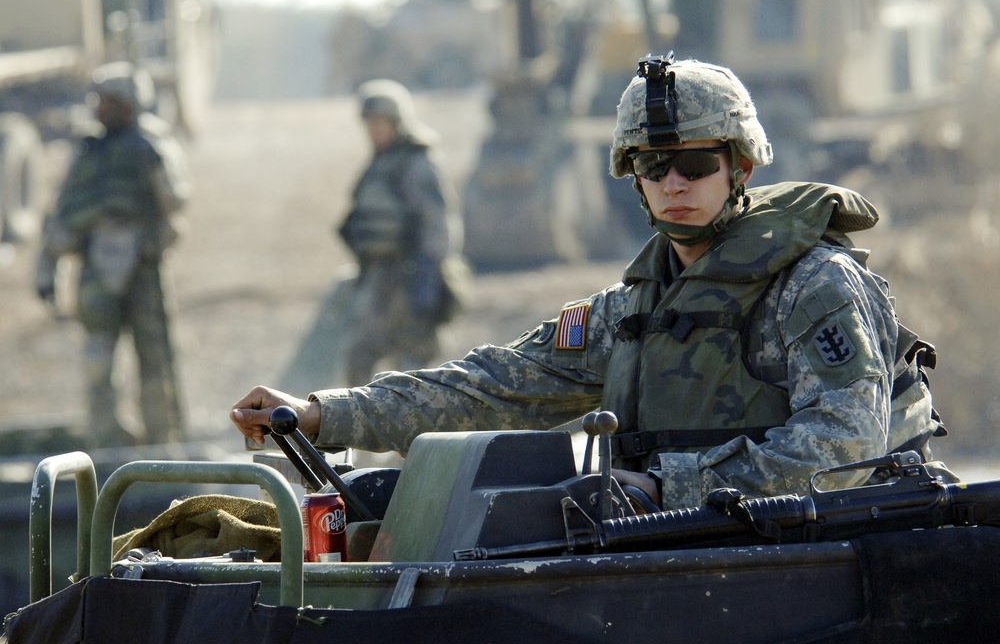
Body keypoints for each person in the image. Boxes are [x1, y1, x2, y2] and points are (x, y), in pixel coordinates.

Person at [232, 54, 944, 510]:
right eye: (651, 166)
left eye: (694, 164)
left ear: (741, 168)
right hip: (690, 553)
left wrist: (671, 487)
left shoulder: (814, 285)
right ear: (632, 179)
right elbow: (497, 383)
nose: (672, 183)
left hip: (818, 556)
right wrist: (328, 412)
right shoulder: (636, 308)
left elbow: (843, 447)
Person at [36, 62, 191, 447]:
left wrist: (154, 240)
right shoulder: (87, 152)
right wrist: (47, 269)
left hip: (143, 269)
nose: (101, 108)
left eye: (111, 100)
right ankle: (106, 441)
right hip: (96, 273)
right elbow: (61, 213)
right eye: (99, 100)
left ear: (130, 103)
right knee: (98, 362)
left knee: (155, 360)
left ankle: (164, 440)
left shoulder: (150, 146)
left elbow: (173, 201)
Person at [335, 79, 467, 386]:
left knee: (413, 363)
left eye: (380, 123)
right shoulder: (380, 164)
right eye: (369, 124)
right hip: (382, 276)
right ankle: (360, 425)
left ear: (396, 122)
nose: (373, 130)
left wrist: (429, 275)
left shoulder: (418, 162)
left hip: (414, 274)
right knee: (360, 352)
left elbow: (438, 223)